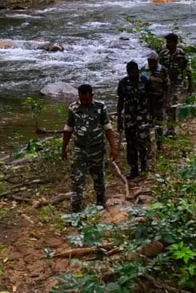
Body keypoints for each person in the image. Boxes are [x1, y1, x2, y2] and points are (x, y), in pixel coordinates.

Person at [61, 83, 121, 212]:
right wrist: (64, 147)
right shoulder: (73, 108)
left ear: (92, 96)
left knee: (99, 177)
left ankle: (100, 204)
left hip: (97, 148)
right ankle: (76, 209)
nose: (84, 102)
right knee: (77, 179)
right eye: (82, 99)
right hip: (79, 149)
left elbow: (107, 128)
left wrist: (114, 147)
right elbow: (68, 129)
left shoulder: (100, 107)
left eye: (87, 99)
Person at [116, 61, 154, 178]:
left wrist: (152, 116)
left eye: (134, 72)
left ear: (138, 71)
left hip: (143, 117)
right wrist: (119, 119)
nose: (132, 75)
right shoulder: (123, 83)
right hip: (129, 118)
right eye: (130, 73)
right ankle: (133, 169)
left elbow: (151, 99)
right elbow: (120, 101)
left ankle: (144, 165)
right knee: (131, 144)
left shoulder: (145, 81)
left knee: (143, 141)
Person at [157, 33, 192, 135]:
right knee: (165, 105)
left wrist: (190, 85)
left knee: (173, 104)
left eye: (170, 42)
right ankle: (166, 127)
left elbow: (188, 70)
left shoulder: (182, 54)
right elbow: (158, 69)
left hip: (177, 83)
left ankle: (171, 130)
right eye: (167, 42)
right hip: (164, 84)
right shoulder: (163, 54)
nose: (168, 44)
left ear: (176, 43)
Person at [145, 53, 169, 140]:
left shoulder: (163, 70)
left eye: (153, 62)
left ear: (157, 61)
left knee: (159, 122)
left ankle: (159, 142)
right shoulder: (144, 69)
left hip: (158, 100)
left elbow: (166, 86)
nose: (151, 64)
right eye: (149, 62)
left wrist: (166, 101)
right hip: (147, 100)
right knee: (147, 122)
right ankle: (147, 143)